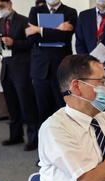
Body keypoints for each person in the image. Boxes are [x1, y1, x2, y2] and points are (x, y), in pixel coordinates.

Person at [0, 0, 40, 150]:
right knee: (11, 105)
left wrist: (14, 43)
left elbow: (31, 44)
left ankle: (33, 138)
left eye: (2, 6)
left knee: (26, 104)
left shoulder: (24, 21)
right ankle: (16, 135)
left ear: (9, 3)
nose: (0, 9)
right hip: (6, 68)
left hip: (22, 68)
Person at [26, 0, 77, 129]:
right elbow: (32, 38)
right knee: (43, 109)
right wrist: (56, 30)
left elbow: (65, 37)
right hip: (40, 68)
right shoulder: (35, 11)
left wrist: (39, 29)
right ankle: (44, 142)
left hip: (62, 68)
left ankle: (65, 143)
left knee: (63, 108)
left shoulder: (70, 12)